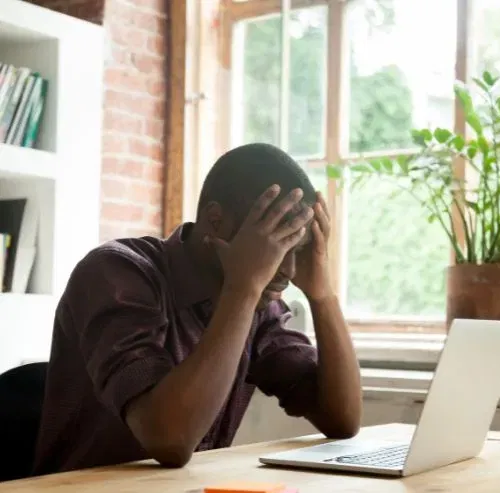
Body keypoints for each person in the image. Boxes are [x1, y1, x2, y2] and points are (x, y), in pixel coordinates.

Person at [32, 143, 362, 476]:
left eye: (296, 246)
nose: (288, 269)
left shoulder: (259, 303)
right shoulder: (116, 273)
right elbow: (168, 439)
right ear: (215, 221)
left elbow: (342, 420)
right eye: (272, 241)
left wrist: (323, 295)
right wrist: (242, 290)